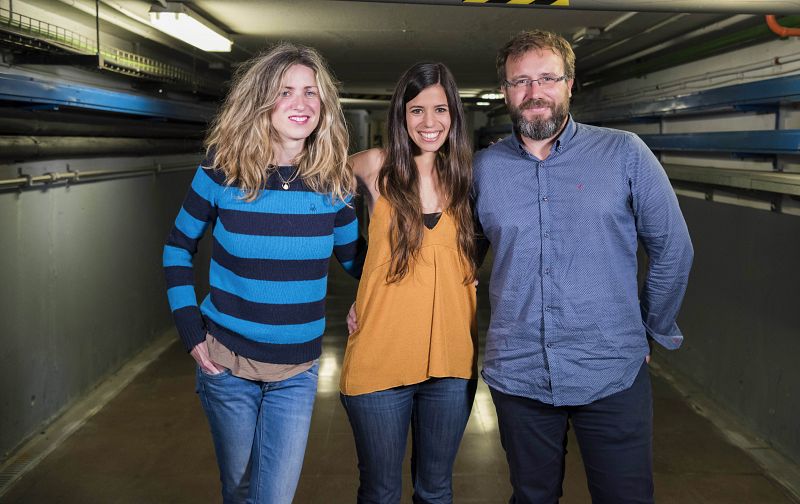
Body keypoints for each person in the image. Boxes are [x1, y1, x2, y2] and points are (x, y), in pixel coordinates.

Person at [473, 30, 694, 503]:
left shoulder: (624, 153)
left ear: (570, 84)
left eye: (547, 78)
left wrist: (650, 328)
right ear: (505, 91)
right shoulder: (483, 169)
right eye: (520, 81)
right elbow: (454, 263)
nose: (534, 92)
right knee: (531, 497)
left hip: (611, 370)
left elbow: (673, 248)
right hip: (519, 373)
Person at [162, 43, 362, 504]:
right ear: (262, 100)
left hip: (297, 372)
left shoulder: (335, 182)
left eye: (310, 92)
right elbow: (177, 246)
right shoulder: (222, 169)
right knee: (239, 489)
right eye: (285, 91)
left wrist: (428, 265)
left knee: (273, 497)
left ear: (324, 104)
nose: (300, 103)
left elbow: (357, 262)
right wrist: (191, 330)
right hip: (226, 364)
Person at [339, 62, 478, 504]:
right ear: (401, 115)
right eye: (417, 110)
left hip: (451, 364)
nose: (429, 122)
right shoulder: (373, 167)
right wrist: (364, 278)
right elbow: (308, 199)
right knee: (381, 493)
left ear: (453, 115)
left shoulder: (467, 178)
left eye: (440, 109)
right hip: (381, 357)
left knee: (436, 491)